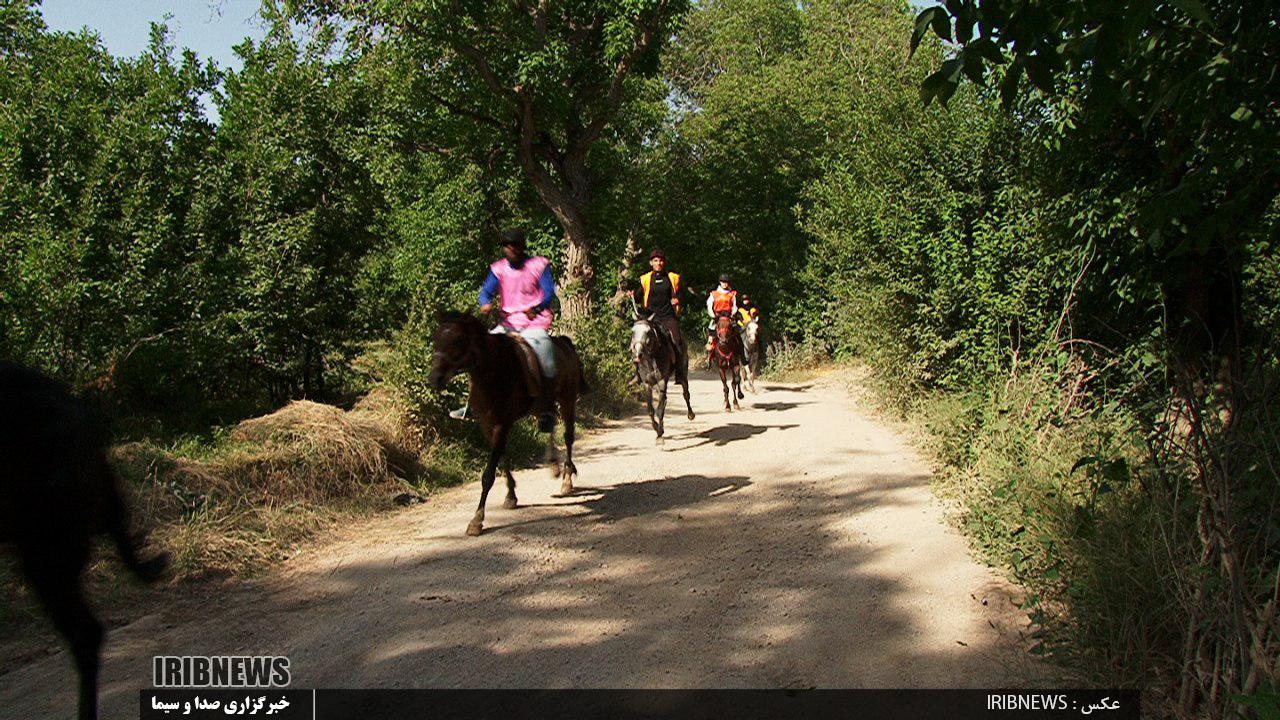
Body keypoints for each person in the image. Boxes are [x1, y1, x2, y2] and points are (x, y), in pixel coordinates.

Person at [450, 229, 559, 432]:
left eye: (514, 245)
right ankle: (471, 405)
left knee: (546, 358)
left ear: (521, 247)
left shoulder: (539, 265)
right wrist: (485, 302)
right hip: (508, 322)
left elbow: (548, 292)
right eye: (506, 246)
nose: (510, 249)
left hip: (534, 322)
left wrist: (536, 308)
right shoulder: (498, 269)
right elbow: (486, 291)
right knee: (480, 353)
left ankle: (547, 409)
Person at [633, 249, 689, 384]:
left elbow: (682, 294)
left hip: (668, 316)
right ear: (651, 263)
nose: (659, 263)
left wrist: (678, 300)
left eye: (661, 260)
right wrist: (633, 294)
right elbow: (639, 295)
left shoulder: (672, 278)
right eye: (656, 261)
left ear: (664, 262)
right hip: (650, 317)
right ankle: (637, 373)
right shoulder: (645, 279)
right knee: (637, 340)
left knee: (677, 341)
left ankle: (679, 373)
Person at [705, 274, 739, 362]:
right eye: (723, 282)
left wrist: (733, 313)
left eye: (726, 282)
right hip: (717, 316)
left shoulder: (732, 294)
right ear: (720, 282)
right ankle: (709, 354)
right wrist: (712, 315)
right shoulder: (714, 294)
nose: (725, 284)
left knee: (737, 331)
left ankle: (741, 355)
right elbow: (709, 305)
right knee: (712, 329)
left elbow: (735, 306)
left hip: (728, 316)